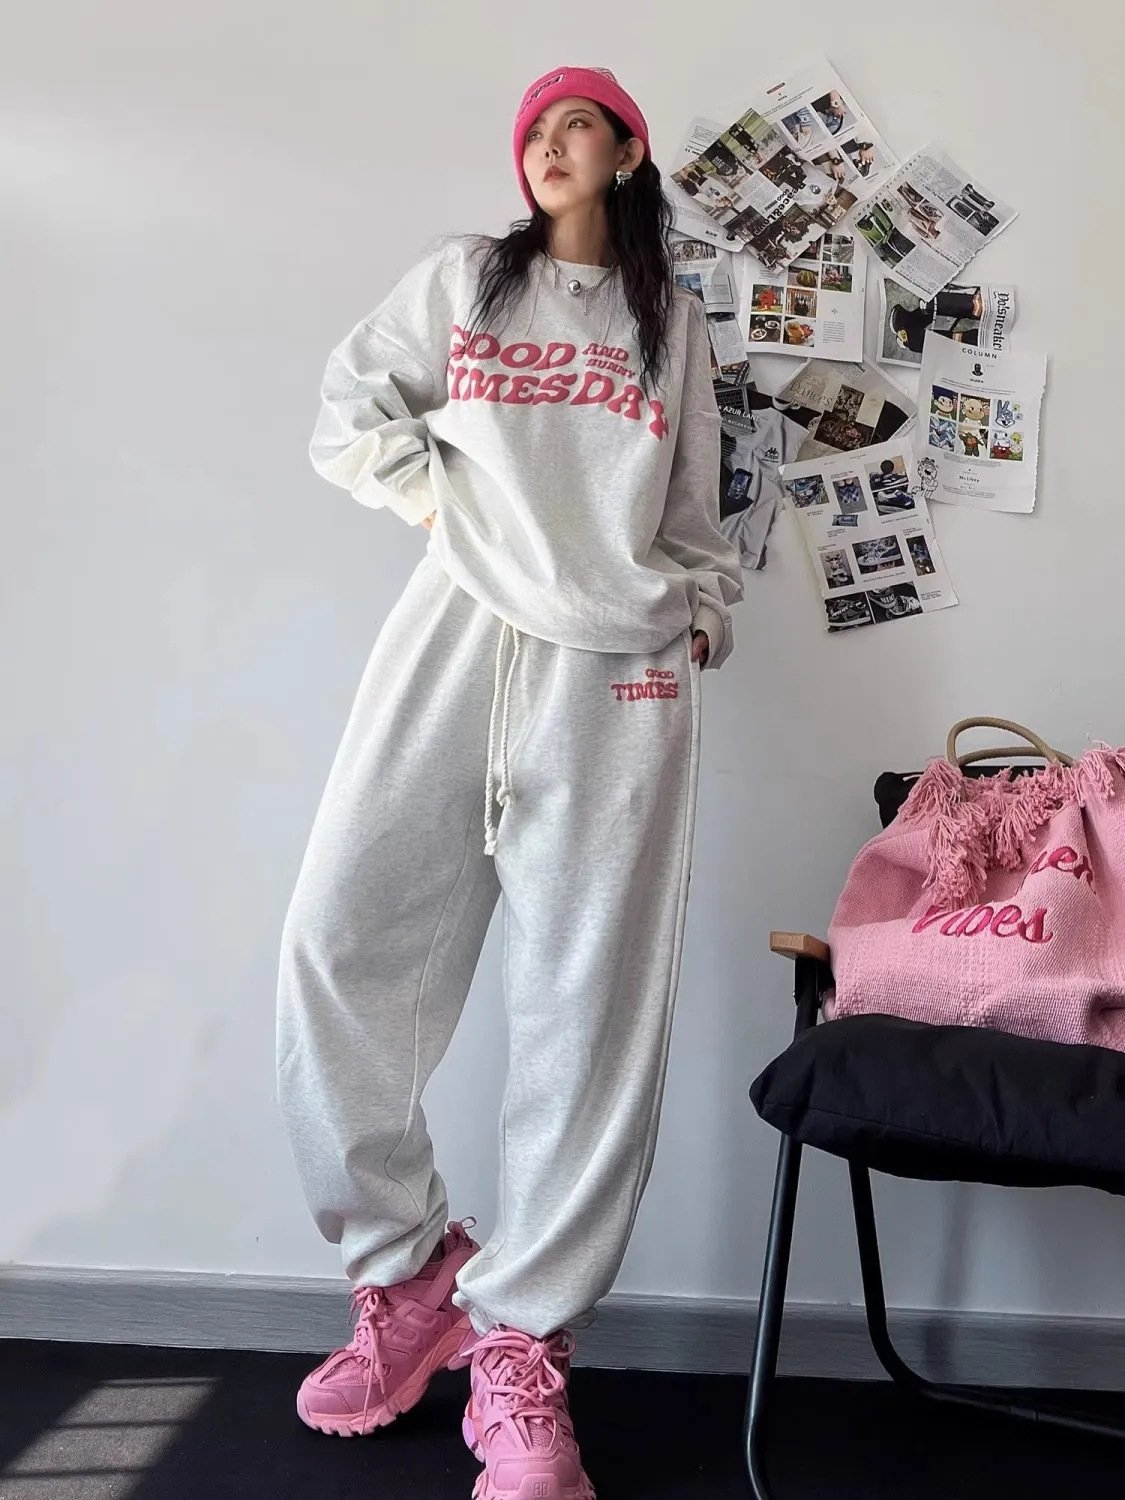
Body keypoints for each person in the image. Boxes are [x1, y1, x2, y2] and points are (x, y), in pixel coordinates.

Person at [275, 64, 744, 1500]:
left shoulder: (672, 322)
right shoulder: (463, 283)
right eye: (534, 128)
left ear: (627, 151)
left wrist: (702, 610)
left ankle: (525, 1349)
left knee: (584, 1008)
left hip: (618, 674)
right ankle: (410, 1270)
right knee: (337, 945)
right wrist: (448, 511)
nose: (549, 143)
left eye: (576, 123)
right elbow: (348, 411)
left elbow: (695, 512)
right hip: (455, 635)